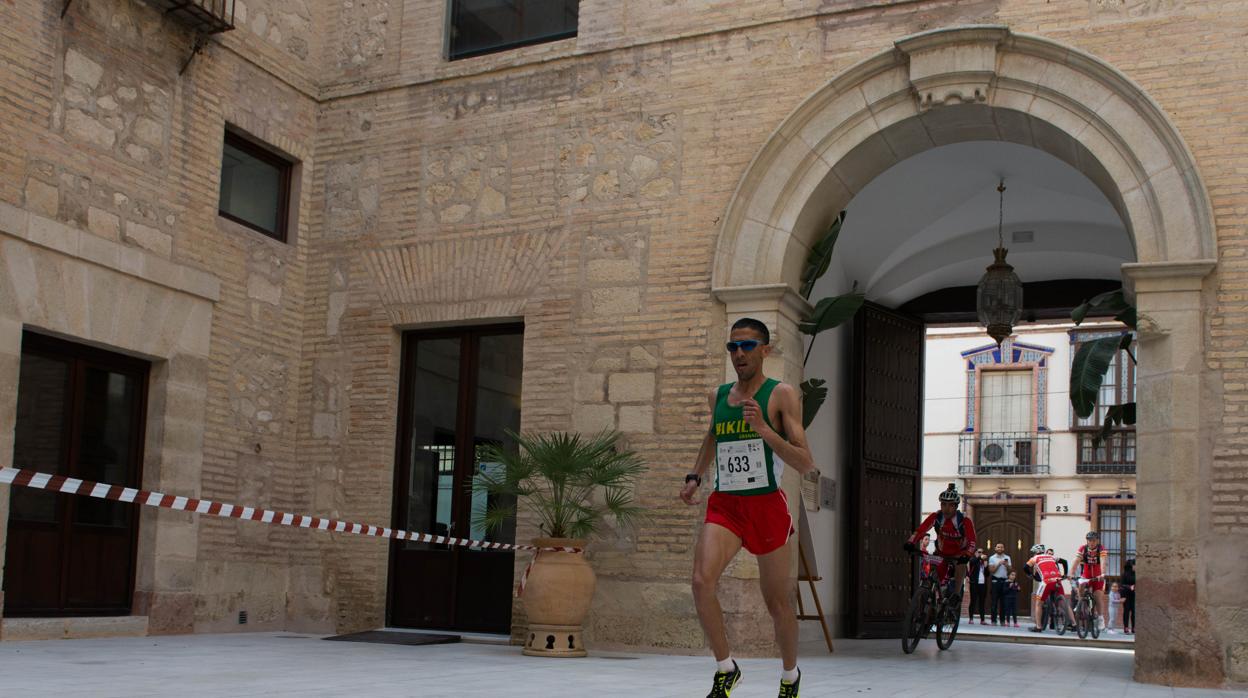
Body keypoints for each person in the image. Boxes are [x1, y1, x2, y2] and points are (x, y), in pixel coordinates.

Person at [681, 317, 816, 698]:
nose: (739, 353)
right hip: (726, 504)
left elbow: (805, 461)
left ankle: (790, 676)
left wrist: (764, 430)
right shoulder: (719, 396)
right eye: (733, 347)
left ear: (765, 350)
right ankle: (727, 668)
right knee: (701, 581)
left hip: (766, 506)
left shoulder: (780, 395)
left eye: (747, 346)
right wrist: (695, 476)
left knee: (777, 603)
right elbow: (713, 436)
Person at [904, 483, 977, 601]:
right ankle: (932, 599)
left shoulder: (964, 521)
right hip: (941, 553)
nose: (946, 509)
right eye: (943, 504)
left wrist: (968, 554)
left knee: (961, 566)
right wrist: (910, 542)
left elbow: (972, 541)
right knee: (934, 577)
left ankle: (956, 595)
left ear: (956, 506)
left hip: (958, 555)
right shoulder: (936, 517)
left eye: (950, 505)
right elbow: (921, 530)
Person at [1025, 544, 1075, 632]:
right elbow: (1064, 562)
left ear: (1036, 552)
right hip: (1058, 580)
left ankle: (1038, 627)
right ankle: (1074, 624)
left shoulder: (1034, 558)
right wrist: (1065, 574)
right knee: (1065, 603)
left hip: (1046, 582)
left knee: (1038, 603)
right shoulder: (1051, 557)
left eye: (1033, 552)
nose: (1033, 554)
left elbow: (1025, 567)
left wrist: (1030, 575)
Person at [1074, 531, 1110, 632]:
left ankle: (1100, 618)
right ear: (1087, 541)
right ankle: (1080, 603)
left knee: (1097, 596)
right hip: (1086, 575)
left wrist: (1103, 574)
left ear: (1097, 541)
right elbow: (1076, 561)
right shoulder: (1083, 548)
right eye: (1089, 540)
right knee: (1081, 584)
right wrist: (1071, 573)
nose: (1092, 542)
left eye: (1094, 540)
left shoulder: (1101, 549)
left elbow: (1103, 562)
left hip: (1098, 577)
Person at [988, 542, 1012, 625]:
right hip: (995, 581)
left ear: (1003, 548)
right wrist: (998, 564)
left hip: (1004, 581)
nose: (1000, 548)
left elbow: (1010, 570)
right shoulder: (992, 558)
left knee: (1003, 602)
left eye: (1001, 547)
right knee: (994, 602)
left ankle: (1002, 621)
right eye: (998, 547)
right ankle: (993, 620)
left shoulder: (1007, 557)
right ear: (995, 548)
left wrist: (1006, 565)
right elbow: (991, 571)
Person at [966, 548, 989, 624]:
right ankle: (971, 618)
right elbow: (972, 562)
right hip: (974, 584)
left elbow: (987, 574)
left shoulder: (984, 562)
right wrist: (979, 558)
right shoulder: (973, 560)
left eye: (982, 552)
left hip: (983, 584)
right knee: (973, 601)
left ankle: (982, 620)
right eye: (979, 552)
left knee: (982, 602)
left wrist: (986, 567)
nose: (981, 553)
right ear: (975, 553)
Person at [1121, 558, 1137, 634]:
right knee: (1126, 611)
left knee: (1134, 611)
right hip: (1126, 595)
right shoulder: (1125, 574)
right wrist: (1129, 587)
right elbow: (1121, 585)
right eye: (1136, 565)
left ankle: (1134, 627)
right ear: (1132, 565)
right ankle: (1126, 627)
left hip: (1135, 595)